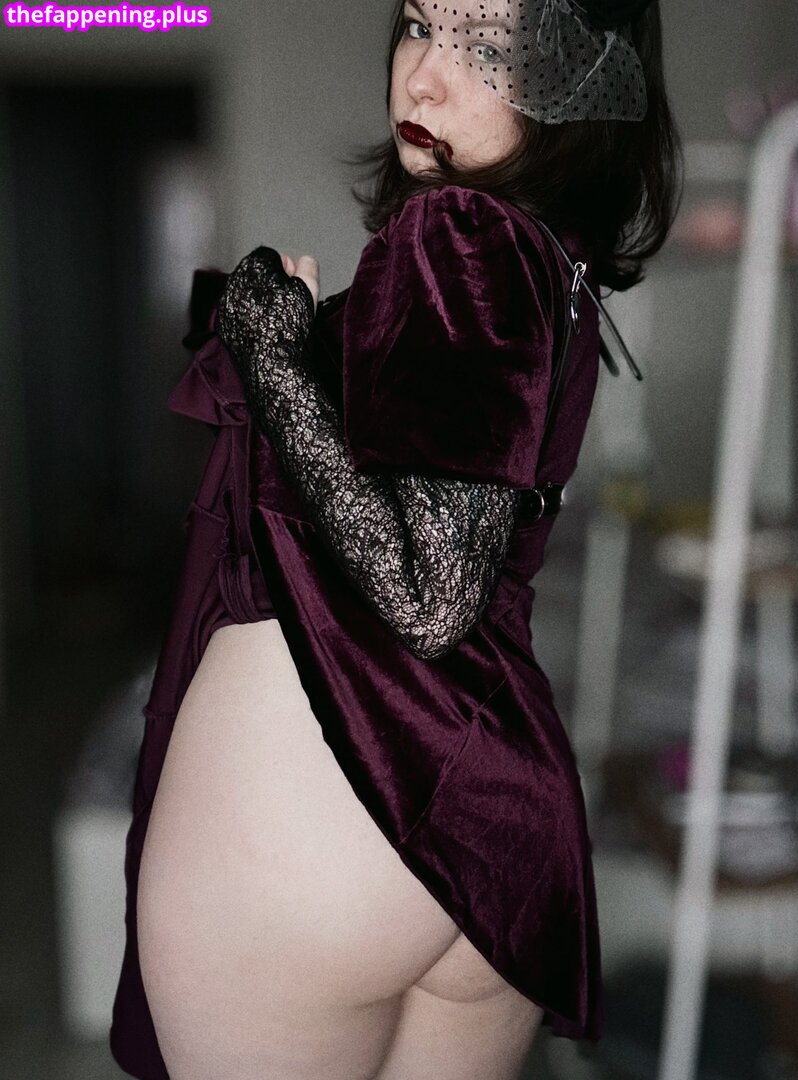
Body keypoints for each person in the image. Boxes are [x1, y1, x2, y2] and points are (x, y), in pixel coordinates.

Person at [110, 0, 682, 1077]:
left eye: (489, 48)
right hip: (489, 828)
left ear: (580, 85)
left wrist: (273, 358)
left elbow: (426, 596)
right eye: (421, 23)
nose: (423, 78)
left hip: (326, 815)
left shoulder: (461, 233)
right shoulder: (553, 264)